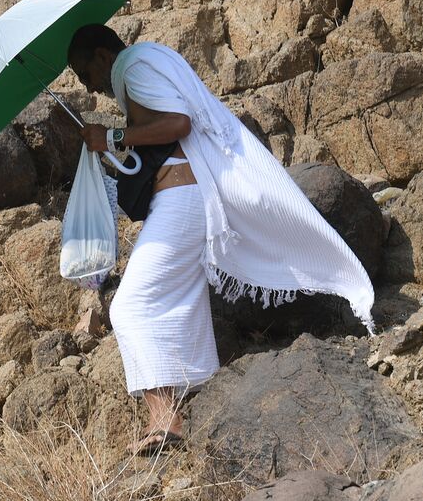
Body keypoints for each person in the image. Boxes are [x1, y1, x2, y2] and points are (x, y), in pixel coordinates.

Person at [65, 24, 375, 456]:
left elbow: (178, 123)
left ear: (102, 56)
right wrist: (112, 142)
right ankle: (202, 396)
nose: (90, 86)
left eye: (85, 74)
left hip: (182, 197)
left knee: (130, 306)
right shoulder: (148, 61)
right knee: (183, 299)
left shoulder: (133, 67)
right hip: (182, 195)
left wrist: (115, 135)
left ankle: (165, 419)